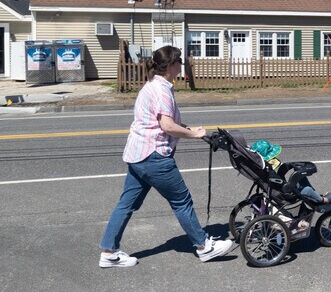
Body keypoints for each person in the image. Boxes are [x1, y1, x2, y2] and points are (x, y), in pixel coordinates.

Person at [99, 46, 233, 268]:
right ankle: (203, 246)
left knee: (126, 204)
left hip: (137, 155)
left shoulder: (153, 85)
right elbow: (167, 126)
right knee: (181, 200)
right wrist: (193, 134)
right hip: (154, 156)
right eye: (179, 60)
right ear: (171, 65)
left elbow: (163, 121)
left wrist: (193, 129)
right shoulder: (162, 90)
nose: (182, 64)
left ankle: (109, 252)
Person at [249, 140, 331, 204]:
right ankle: (322, 200)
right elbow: (280, 182)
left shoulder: (261, 169)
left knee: (301, 177)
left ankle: (314, 195)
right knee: (305, 190)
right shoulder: (269, 170)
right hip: (284, 193)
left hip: (275, 188)